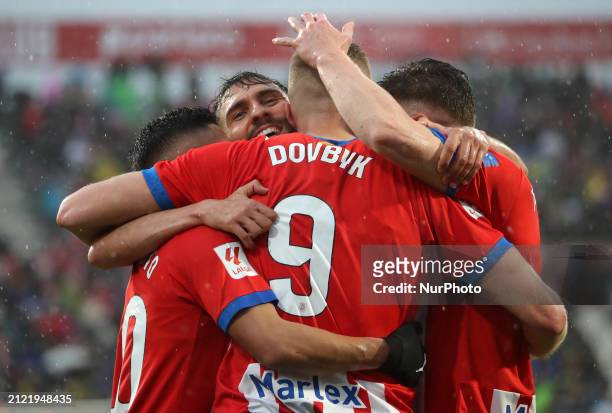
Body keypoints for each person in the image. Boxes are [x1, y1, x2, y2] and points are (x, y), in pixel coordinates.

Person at [57, 13, 565, 412]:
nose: (259, 115)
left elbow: (90, 233)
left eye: (268, 99)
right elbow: (546, 315)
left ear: (295, 109)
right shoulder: (412, 186)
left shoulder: (234, 169)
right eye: (239, 113)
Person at [109, 107, 424, 412]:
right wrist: (388, 352)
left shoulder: (155, 246)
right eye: (219, 158)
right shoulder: (201, 242)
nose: (233, 164)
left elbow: (98, 249)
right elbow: (276, 344)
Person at [379, 59, 542, 412]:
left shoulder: (461, 181)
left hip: (471, 396)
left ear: (419, 125)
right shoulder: (483, 174)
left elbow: (549, 319)